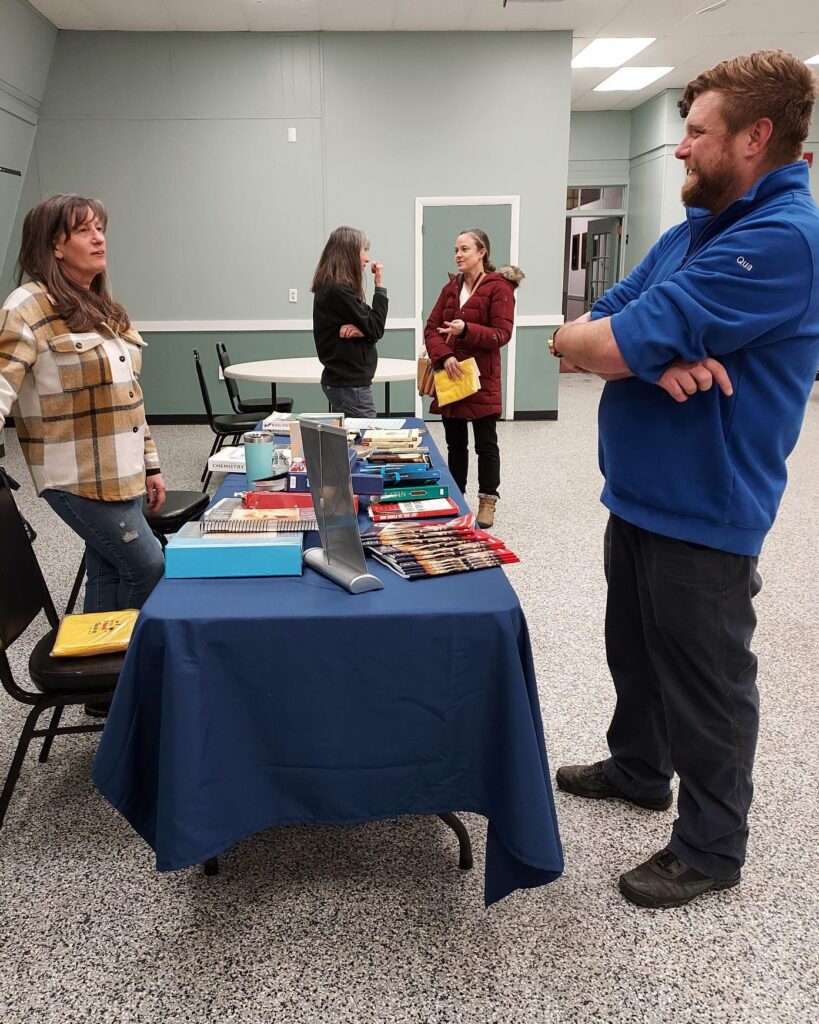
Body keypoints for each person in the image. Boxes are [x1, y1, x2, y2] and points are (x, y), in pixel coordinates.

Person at [548, 50, 819, 909]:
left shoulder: (780, 239)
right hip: (638, 492)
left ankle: (710, 846)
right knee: (633, 650)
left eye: (695, 133)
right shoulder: (686, 236)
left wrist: (628, 352)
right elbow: (571, 335)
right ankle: (638, 769)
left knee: (705, 681)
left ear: (755, 137)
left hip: (708, 505)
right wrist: (640, 356)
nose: (679, 149)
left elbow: (610, 344)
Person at [0, 194, 166, 617]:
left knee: (109, 570)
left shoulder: (107, 310)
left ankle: (90, 676)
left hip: (121, 471)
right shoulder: (27, 306)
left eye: (100, 229)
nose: (98, 239)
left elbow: (129, 399)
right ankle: (123, 671)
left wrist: (151, 464)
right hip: (74, 476)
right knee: (148, 567)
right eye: (83, 230)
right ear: (54, 245)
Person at [424, 228, 523, 529]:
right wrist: (445, 356)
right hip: (452, 376)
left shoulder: (499, 288)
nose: (458, 255)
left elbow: (501, 334)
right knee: (455, 444)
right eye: (456, 250)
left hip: (482, 379)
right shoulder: (450, 288)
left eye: (465, 249)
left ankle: (488, 500)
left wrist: (466, 330)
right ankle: (457, 497)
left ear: (482, 252)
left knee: (485, 443)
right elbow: (431, 328)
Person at [311, 226, 388, 418]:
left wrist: (362, 330)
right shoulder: (338, 291)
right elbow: (376, 327)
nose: (367, 258)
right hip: (350, 385)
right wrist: (379, 286)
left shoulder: (334, 287)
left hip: (343, 382)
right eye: (364, 250)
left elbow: (370, 324)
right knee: (365, 441)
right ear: (349, 252)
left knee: (350, 439)